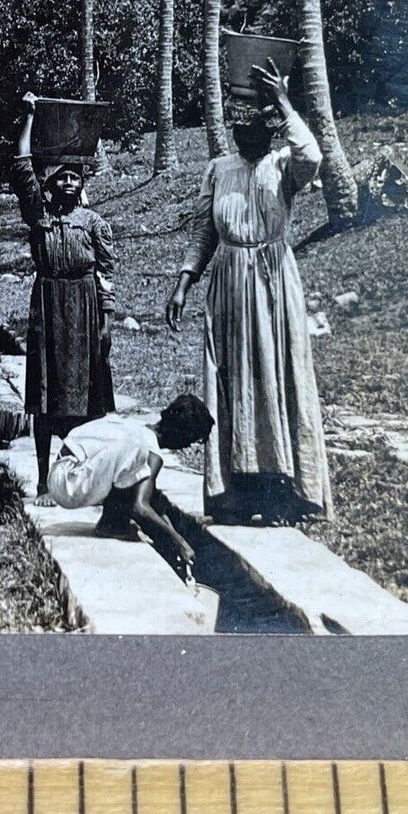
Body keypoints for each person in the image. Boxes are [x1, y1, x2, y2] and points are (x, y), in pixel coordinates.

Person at [164, 58, 333, 525]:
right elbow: (203, 232)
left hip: (273, 278)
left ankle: (283, 489)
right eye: (238, 123)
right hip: (227, 285)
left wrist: (282, 99)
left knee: (276, 374)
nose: (246, 132)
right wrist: (184, 283)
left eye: (256, 123)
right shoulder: (219, 169)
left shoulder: (283, 166)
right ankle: (237, 490)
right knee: (233, 379)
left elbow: (313, 156)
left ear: (270, 129)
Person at [12, 93, 117, 499]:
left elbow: (106, 274)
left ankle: (86, 476)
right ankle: (42, 478)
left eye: (76, 177)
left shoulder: (93, 223)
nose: (70, 183)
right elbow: (22, 167)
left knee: (88, 395)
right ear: (52, 181)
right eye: (63, 177)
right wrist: (30, 117)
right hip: (48, 304)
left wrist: (106, 320)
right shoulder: (39, 213)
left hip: (86, 306)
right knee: (44, 393)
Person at [46, 394, 214, 583]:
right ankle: (111, 525)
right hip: (70, 485)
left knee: (136, 472)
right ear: (181, 433)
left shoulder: (136, 428)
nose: (186, 447)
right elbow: (140, 507)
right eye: (189, 441)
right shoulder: (149, 451)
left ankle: (113, 523)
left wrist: (169, 529)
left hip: (61, 473)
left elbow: (150, 497)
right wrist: (179, 543)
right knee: (135, 463)